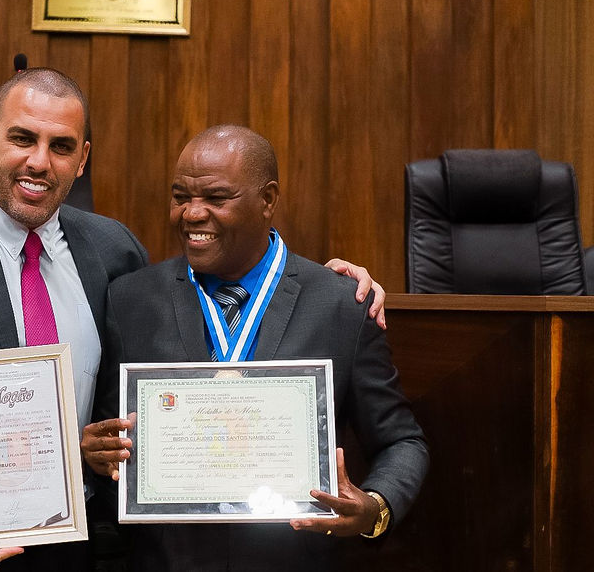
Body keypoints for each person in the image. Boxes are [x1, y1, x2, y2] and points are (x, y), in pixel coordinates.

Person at [0, 69, 386, 572]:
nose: (40, 161)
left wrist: (333, 285)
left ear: (82, 159)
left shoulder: (112, 251)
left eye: (60, 145)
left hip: (73, 551)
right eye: (22, 138)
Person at [81, 125, 428, 572]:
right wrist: (97, 456)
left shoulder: (340, 304)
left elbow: (402, 440)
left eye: (216, 198)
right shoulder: (130, 300)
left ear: (267, 200)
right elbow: (111, 445)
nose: (191, 213)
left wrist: (374, 508)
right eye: (180, 196)